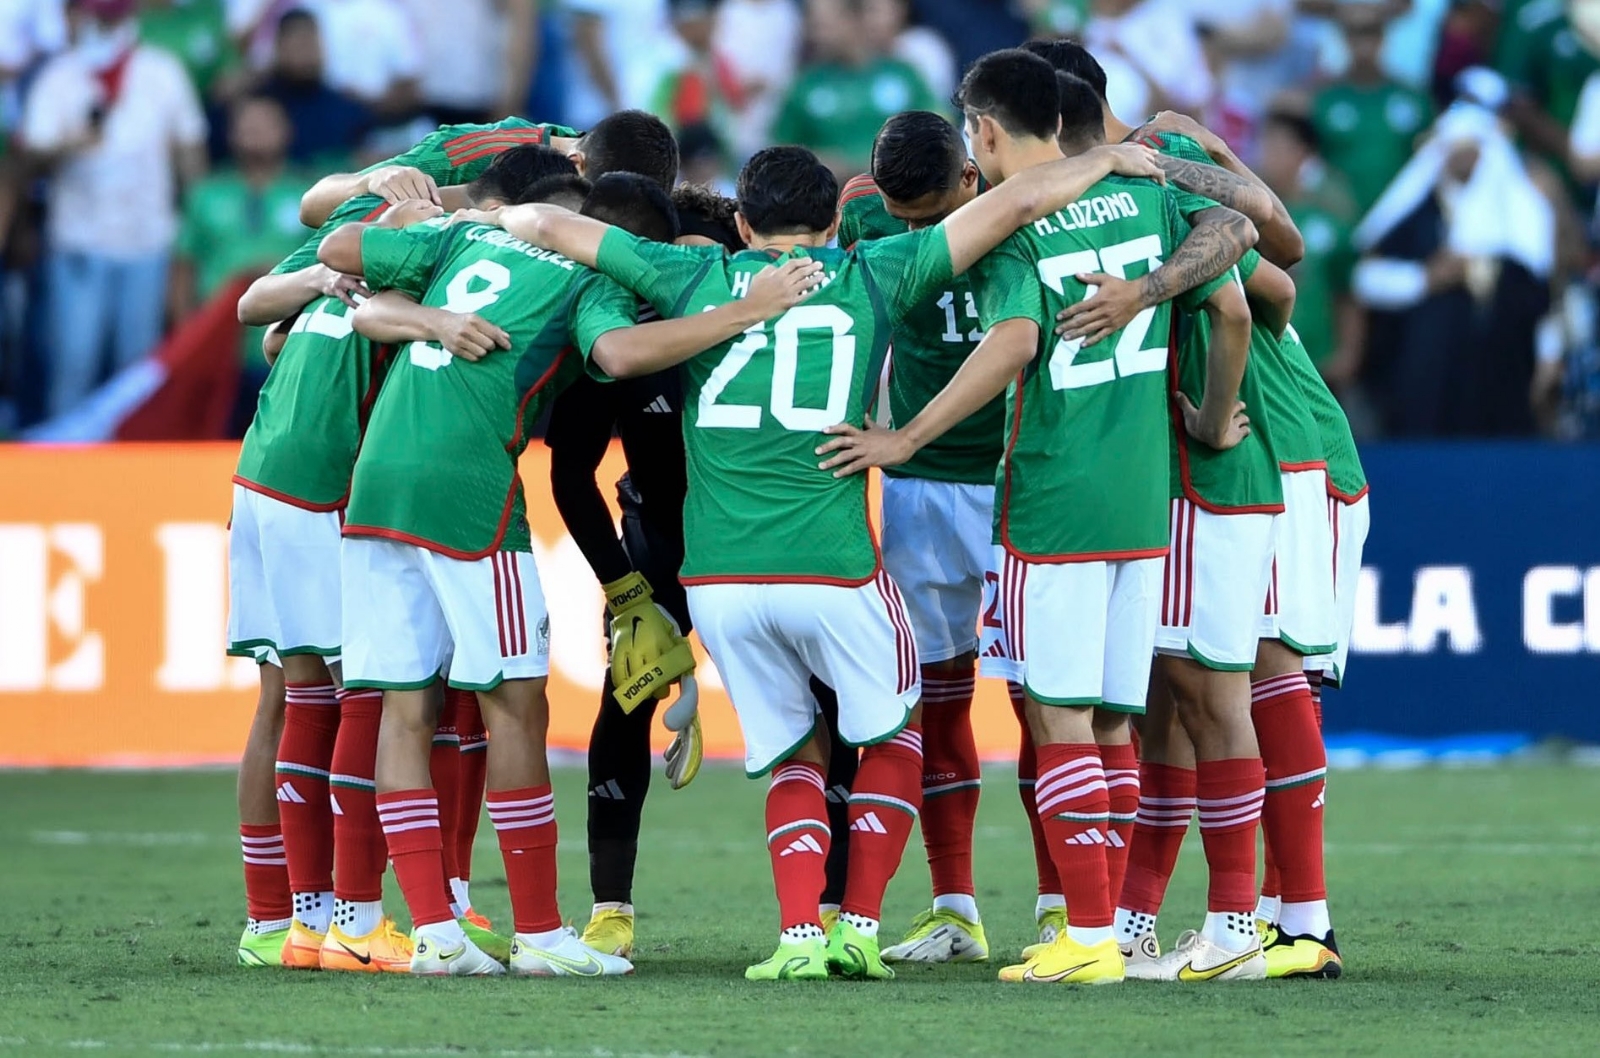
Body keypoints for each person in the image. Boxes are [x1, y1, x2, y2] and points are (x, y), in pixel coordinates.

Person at [473, 134, 1171, 980]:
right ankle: (859, 927)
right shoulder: (874, 271)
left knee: (791, 756)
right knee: (897, 732)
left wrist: (477, 223)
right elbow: (1015, 203)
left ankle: (799, 938)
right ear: (836, 219)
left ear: (739, 221)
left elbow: (550, 223)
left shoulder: (690, 277)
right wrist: (1104, 161)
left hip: (721, 581)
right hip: (833, 565)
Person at [820, 48, 1253, 986]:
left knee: (1050, 714)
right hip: (1142, 495)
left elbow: (1015, 338)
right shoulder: (1144, 197)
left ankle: (1084, 929)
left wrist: (902, 437)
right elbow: (1240, 242)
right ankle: (1101, 926)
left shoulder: (1015, 227)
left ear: (979, 132)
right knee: (1103, 719)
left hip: (1042, 491)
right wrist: (1157, 225)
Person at [315, 176, 819, 977]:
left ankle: (437, 937)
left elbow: (337, 250)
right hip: (470, 495)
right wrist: (743, 311)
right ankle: (544, 933)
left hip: (376, 485)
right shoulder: (591, 280)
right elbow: (617, 354)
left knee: (403, 711)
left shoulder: (465, 237)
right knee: (516, 706)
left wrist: (429, 317)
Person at [231, 144, 589, 974]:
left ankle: (289, 918)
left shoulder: (366, 232)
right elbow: (287, 318)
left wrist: (332, 282)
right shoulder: (452, 250)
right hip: (331, 486)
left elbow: (266, 320)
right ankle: (350, 918)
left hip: (266, 473)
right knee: (381, 698)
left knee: (302, 695)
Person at [832, 111, 998, 966]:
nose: (915, 240)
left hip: (1021, 475)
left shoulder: (1023, 198)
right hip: (918, 483)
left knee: (1055, 701)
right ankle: (955, 907)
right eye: (901, 225)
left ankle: (1064, 911)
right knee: (937, 693)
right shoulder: (862, 210)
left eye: (929, 222)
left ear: (971, 176)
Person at [20, 0, 207, 421]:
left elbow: (190, 152)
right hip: (79, 242)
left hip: (147, 241)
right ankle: (63, 468)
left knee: (136, 367)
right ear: (80, 17)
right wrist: (70, 143)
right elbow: (28, 159)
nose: (106, 25)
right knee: (74, 363)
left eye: (114, 16)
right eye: (99, 16)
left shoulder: (163, 70)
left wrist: (193, 227)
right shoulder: (60, 76)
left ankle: (132, 473)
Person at [298, 108, 677, 228]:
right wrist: (370, 180)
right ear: (576, 165)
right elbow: (312, 207)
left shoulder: (609, 171)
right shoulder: (474, 151)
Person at [771, 0, 939, 177]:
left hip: (898, 191)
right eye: (812, 24)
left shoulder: (904, 76)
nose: (815, 34)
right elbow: (780, 150)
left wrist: (862, 168)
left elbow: (937, 135)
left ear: (854, 19)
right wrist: (814, 160)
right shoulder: (804, 85)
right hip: (830, 197)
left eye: (823, 24)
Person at [1255, 105, 1362, 385]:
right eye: (1265, 143)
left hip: (1320, 360)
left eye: (1278, 145)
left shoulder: (1329, 220)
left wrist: (1348, 352)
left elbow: (1346, 292)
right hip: (1265, 361)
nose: (1267, 154)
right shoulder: (1248, 219)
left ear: (1302, 152)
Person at [1310, 4, 1434, 215]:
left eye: (1371, 34)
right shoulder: (1324, 100)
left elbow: (1428, 161)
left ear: (1383, 38)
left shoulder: (1412, 99)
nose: (1364, 44)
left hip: (1395, 219)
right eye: (1356, 35)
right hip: (1340, 218)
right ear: (1345, 40)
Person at [250, 8, 371, 167]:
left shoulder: (346, 109)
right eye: (298, 44)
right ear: (279, 47)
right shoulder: (257, 107)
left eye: (311, 42)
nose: (306, 53)